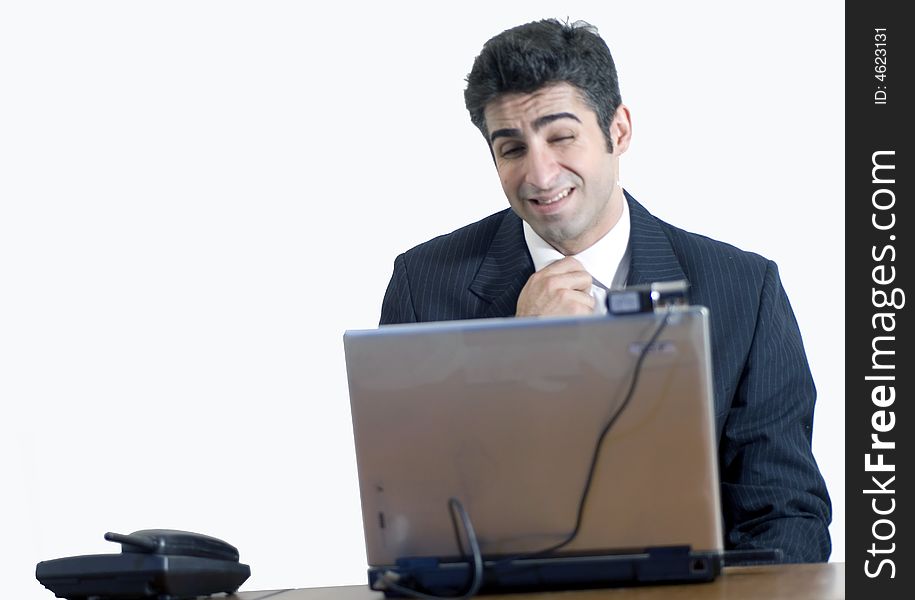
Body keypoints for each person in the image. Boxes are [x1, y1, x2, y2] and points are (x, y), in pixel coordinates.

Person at [379, 19, 831, 563]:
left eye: (561, 136)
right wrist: (512, 362)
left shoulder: (744, 289)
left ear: (618, 131)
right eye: (512, 148)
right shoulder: (421, 287)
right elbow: (407, 525)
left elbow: (784, 518)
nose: (540, 175)